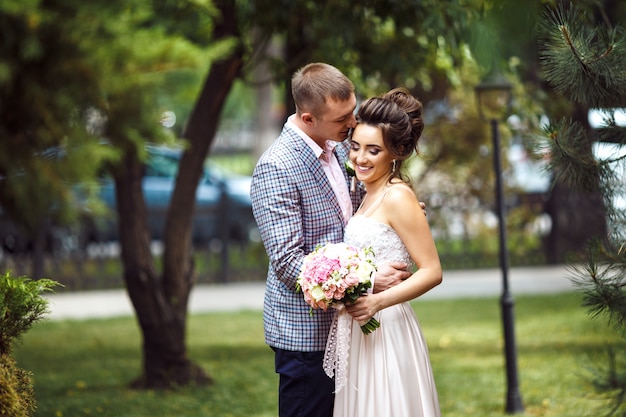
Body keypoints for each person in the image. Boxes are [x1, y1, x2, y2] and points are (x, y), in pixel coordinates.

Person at [250, 63, 412, 417]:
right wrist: (367, 280)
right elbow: (288, 262)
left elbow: (355, 215)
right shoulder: (276, 167)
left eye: (352, 111)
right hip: (307, 335)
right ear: (308, 118)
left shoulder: (340, 148)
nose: (352, 122)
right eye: (342, 118)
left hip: (353, 332)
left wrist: (395, 213)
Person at [330, 88, 443, 417]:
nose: (360, 158)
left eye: (373, 150)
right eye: (355, 147)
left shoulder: (397, 196)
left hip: (387, 323)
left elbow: (432, 271)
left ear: (395, 152)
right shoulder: (366, 193)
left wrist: (376, 301)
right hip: (360, 327)